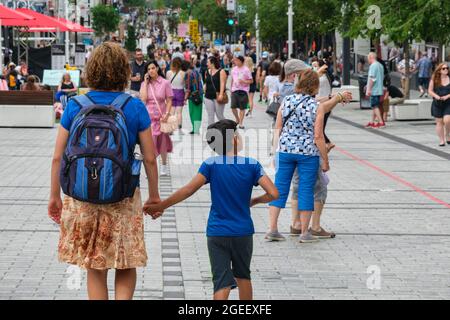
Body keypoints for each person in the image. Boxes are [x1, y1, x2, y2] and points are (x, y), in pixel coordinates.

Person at [48, 42, 161, 300]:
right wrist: (154, 196)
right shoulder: (134, 107)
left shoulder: (76, 105)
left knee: (95, 266)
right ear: (123, 71)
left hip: (83, 197)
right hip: (123, 196)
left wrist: (54, 196)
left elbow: (57, 157)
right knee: (126, 261)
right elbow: (150, 158)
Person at [144, 119, 278, 300]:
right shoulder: (252, 165)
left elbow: (188, 190)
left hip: (217, 232)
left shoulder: (211, 165)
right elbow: (273, 193)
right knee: (243, 276)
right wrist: (255, 200)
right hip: (243, 232)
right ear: (234, 140)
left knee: (221, 281)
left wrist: (161, 206)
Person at [267, 69, 351, 242]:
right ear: (315, 87)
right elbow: (318, 136)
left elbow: (277, 128)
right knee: (306, 190)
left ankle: (273, 229)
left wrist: (275, 153)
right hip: (307, 154)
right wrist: (325, 160)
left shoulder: (287, 101)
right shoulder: (316, 107)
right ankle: (305, 233)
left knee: (279, 189)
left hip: (285, 151)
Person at [140, 60, 174, 176]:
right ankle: (151, 166)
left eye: (153, 68)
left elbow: (169, 100)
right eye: (148, 69)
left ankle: (164, 165)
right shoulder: (145, 84)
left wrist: (167, 114)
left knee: (163, 143)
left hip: (161, 118)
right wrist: (145, 83)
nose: (151, 71)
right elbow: (143, 99)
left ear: (157, 69)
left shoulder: (165, 83)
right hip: (148, 119)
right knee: (150, 144)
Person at [428, 63, 450, 147]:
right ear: (439, 70)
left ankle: (447, 134)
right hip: (437, 103)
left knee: (447, 120)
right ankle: (441, 140)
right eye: (444, 68)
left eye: (447, 68)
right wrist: (436, 96)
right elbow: (430, 91)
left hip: (448, 103)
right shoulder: (435, 79)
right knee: (439, 122)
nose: (446, 70)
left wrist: (447, 96)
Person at [230, 55, 253, 129]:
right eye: (235, 60)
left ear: (241, 61)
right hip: (234, 90)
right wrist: (231, 89)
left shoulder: (246, 70)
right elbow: (232, 80)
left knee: (242, 108)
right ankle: (237, 118)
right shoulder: (233, 69)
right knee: (233, 107)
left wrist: (244, 81)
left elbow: (251, 81)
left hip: (243, 90)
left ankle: (241, 123)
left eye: (237, 60)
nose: (235, 62)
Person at [204, 56, 227, 126]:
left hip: (217, 96)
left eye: (208, 62)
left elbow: (223, 84)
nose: (206, 64)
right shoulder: (207, 71)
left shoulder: (221, 71)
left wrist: (221, 94)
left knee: (219, 115)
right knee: (210, 116)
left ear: (212, 63)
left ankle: (231, 130)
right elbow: (206, 83)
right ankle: (211, 134)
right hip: (208, 96)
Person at [365, 52, 385, 128]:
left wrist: (369, 89)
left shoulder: (373, 66)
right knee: (375, 105)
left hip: (374, 89)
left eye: (368, 59)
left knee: (374, 106)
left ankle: (380, 121)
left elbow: (372, 78)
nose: (368, 61)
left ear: (371, 57)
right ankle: (372, 122)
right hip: (379, 89)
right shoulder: (380, 65)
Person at [166, 57, 186, 131]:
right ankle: (179, 127)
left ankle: (171, 127)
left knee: (171, 111)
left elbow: (167, 84)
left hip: (171, 92)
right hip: (180, 92)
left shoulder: (168, 73)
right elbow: (184, 85)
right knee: (179, 112)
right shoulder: (183, 73)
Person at [184, 59, 204, 134]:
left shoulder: (188, 73)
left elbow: (188, 87)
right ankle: (196, 128)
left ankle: (195, 129)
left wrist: (185, 98)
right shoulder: (196, 71)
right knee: (198, 112)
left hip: (193, 95)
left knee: (193, 112)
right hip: (200, 94)